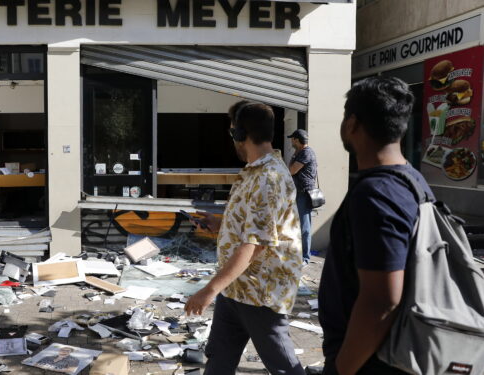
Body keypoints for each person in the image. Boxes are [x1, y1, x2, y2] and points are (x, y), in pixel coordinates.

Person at [318, 76, 434, 375]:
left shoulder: (377, 193)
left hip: (371, 362)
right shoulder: (412, 180)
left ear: (352, 124)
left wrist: (344, 367)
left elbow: (382, 299)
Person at [184, 101, 305, 375]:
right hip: (235, 288)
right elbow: (252, 226)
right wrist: (220, 224)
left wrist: (209, 290)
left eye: (232, 132)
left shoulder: (268, 178)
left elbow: (254, 246)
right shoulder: (254, 172)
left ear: (240, 134)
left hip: (260, 293)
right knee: (218, 359)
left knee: (284, 367)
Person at [287, 129, 318, 265]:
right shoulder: (301, 152)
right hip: (299, 193)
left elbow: (291, 170)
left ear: (297, 140)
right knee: (298, 226)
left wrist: (294, 155)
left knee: (305, 227)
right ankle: (300, 255)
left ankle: (305, 258)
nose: (291, 141)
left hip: (304, 194)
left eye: (292, 139)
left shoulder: (306, 153)